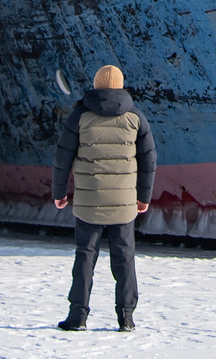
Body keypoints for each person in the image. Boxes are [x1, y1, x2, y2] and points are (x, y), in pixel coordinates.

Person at [51, 63, 156, 331]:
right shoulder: (135, 117)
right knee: (124, 258)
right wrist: (143, 196)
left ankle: (77, 317)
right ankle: (127, 317)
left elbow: (62, 158)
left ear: (96, 84)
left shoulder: (79, 116)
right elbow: (148, 160)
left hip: (89, 202)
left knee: (85, 256)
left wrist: (59, 193)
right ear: (120, 84)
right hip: (123, 204)